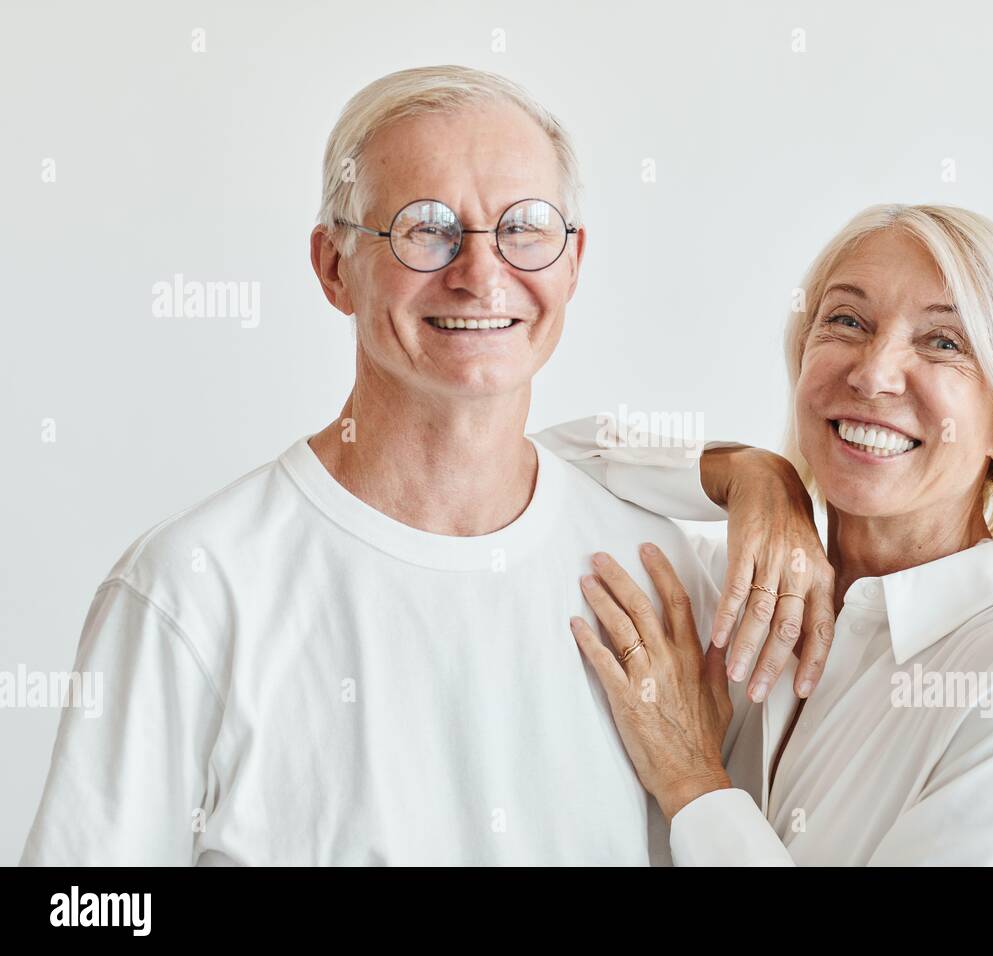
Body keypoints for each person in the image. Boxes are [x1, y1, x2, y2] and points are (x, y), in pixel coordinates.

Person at [18, 65, 826, 866]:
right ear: (335, 267)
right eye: (426, 227)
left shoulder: (679, 584)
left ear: (573, 262)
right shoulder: (194, 588)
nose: (480, 275)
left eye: (526, 227)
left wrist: (767, 477)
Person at [564, 204, 993, 865]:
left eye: (944, 342)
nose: (873, 373)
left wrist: (692, 781)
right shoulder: (729, 584)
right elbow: (516, 466)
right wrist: (744, 471)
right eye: (847, 321)